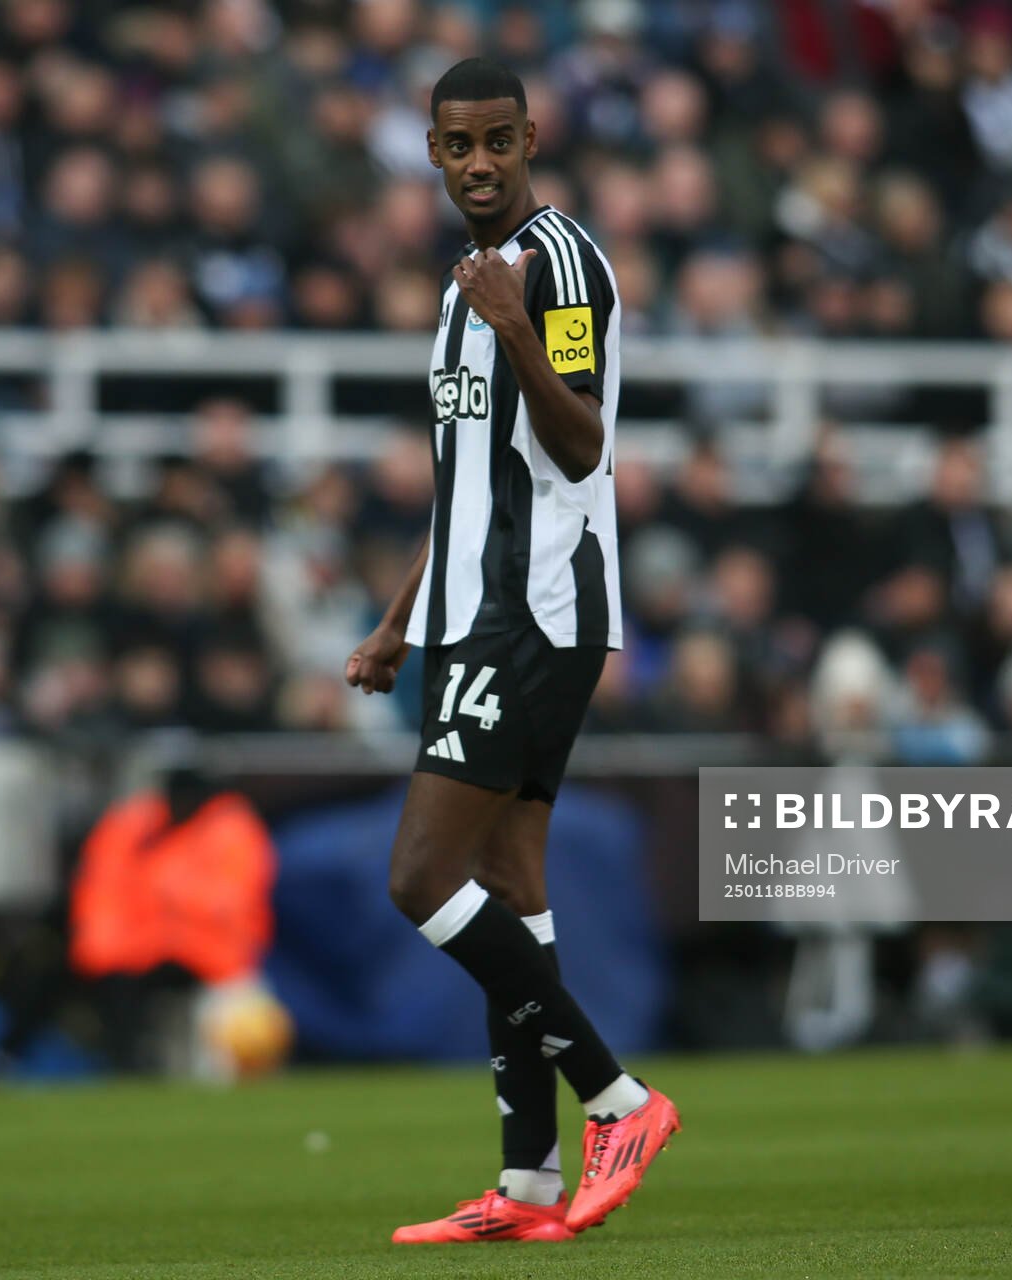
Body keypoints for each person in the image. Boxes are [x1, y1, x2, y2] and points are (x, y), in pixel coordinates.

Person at [343, 58, 678, 1246]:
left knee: (421, 878)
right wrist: (397, 618)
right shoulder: (467, 283)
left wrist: (517, 328)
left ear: (531, 139)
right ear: (431, 153)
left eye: (497, 141)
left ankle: (619, 1099)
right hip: (477, 604)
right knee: (513, 888)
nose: (477, 163)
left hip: (533, 611)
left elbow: (582, 445)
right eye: (456, 145)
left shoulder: (560, 264)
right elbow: (467, 484)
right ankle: (529, 1180)